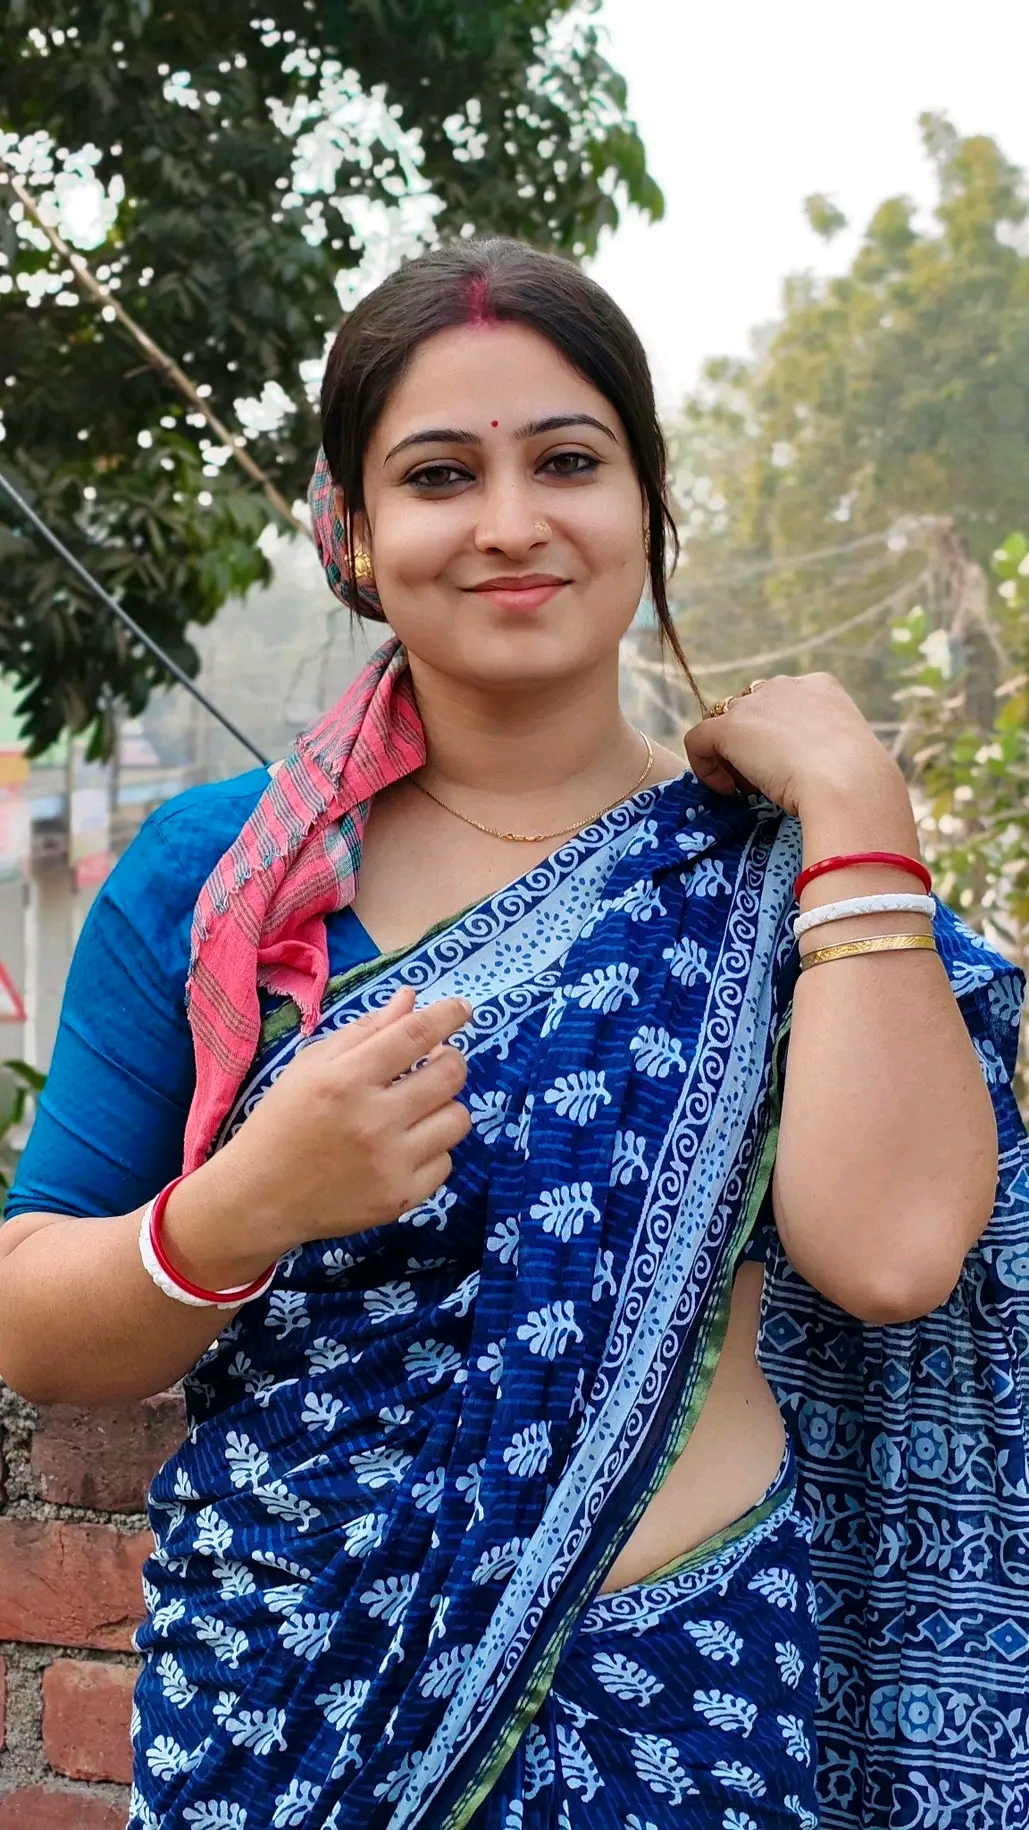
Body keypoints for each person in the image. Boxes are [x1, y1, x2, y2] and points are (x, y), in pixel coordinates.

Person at [0, 239, 1025, 1830]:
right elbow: (31, 1320)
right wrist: (243, 1206)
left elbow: (892, 1254)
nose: (507, 522)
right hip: (290, 1708)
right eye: (437, 474)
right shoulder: (222, 880)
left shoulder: (791, 878)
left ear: (647, 502)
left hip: (679, 1700)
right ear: (349, 532)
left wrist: (854, 803)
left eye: (566, 461)